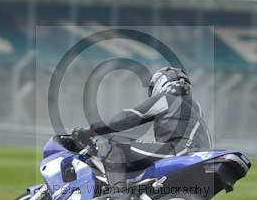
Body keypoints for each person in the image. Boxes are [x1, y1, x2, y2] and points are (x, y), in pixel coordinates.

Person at [72, 67, 212, 189]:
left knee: (113, 145)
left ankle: (118, 195)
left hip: (179, 151)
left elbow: (126, 118)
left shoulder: (167, 98)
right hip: (201, 159)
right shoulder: (196, 108)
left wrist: (90, 130)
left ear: (161, 83)